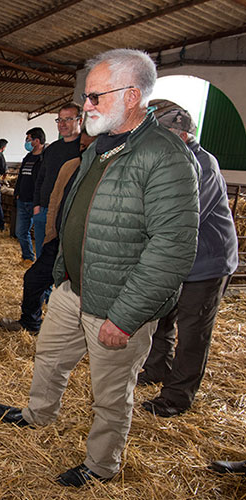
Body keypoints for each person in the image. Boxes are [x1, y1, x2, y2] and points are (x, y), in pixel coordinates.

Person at [0, 49, 200, 487]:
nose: (85, 106)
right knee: (49, 359)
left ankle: (101, 464)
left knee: (110, 394)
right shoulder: (100, 149)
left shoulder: (164, 156)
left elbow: (173, 248)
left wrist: (124, 316)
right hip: (73, 288)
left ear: (131, 96)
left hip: (117, 302)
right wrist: (62, 274)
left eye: (93, 97)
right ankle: (38, 414)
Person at [138, 108, 239, 418]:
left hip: (206, 263)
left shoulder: (203, 165)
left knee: (193, 330)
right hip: (177, 259)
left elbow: (184, 217)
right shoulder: (170, 162)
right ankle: (156, 368)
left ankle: (178, 395)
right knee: (163, 317)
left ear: (182, 136)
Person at [0, 131, 94, 334]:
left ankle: (79, 332)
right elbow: (55, 195)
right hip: (60, 238)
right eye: (82, 147)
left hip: (88, 245)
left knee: (77, 291)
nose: (85, 151)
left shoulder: (105, 173)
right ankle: (31, 323)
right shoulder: (71, 168)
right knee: (34, 278)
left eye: (88, 146)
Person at [32, 103, 83, 259]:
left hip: (68, 212)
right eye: (59, 120)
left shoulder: (85, 149)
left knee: (64, 257)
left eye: (68, 119)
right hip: (44, 210)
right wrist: (36, 205)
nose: (62, 124)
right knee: (42, 257)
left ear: (80, 121)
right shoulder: (52, 149)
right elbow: (40, 178)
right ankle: (44, 284)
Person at [14, 127, 45, 265]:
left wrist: (39, 200)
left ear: (36, 141)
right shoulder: (28, 157)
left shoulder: (44, 159)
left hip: (36, 201)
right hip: (23, 199)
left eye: (28, 139)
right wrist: (17, 193)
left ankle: (41, 261)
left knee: (39, 234)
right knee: (20, 231)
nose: (26, 142)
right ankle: (27, 257)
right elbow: (21, 176)